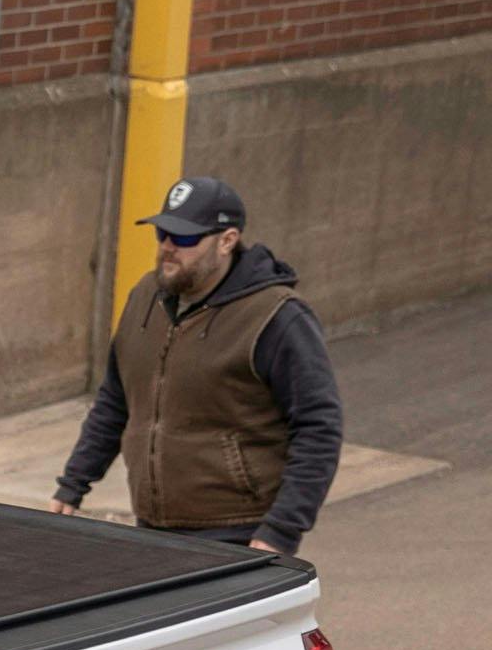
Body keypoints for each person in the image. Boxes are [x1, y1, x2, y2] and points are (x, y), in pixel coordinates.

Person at [51, 175, 343, 558]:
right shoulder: (145, 297)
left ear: (227, 240)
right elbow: (116, 399)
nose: (169, 248)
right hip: (154, 525)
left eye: (186, 238)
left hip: (236, 531)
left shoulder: (276, 318)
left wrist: (281, 529)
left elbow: (319, 427)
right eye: (164, 234)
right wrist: (74, 483)